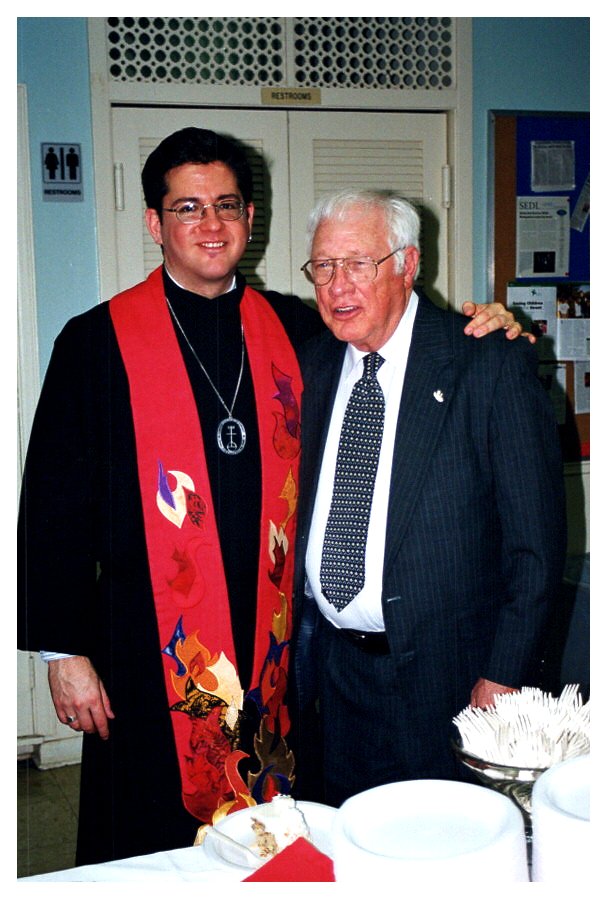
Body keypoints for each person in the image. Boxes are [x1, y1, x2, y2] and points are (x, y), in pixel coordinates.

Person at [17, 127, 524, 866]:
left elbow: (403, 338)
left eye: (226, 205)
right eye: (188, 208)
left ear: (251, 218)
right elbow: (52, 507)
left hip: (274, 652)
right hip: (146, 650)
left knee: (277, 839)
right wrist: (64, 652)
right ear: (155, 222)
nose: (211, 224)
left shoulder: (295, 327)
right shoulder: (96, 343)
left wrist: (489, 326)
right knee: (153, 846)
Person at [292, 189, 567, 808]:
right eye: (324, 266)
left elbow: (537, 546)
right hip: (336, 676)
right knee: (349, 833)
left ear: (408, 264)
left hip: (454, 681)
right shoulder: (309, 365)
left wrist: (503, 675)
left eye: (358, 263)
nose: (338, 285)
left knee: (446, 840)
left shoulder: (486, 362)